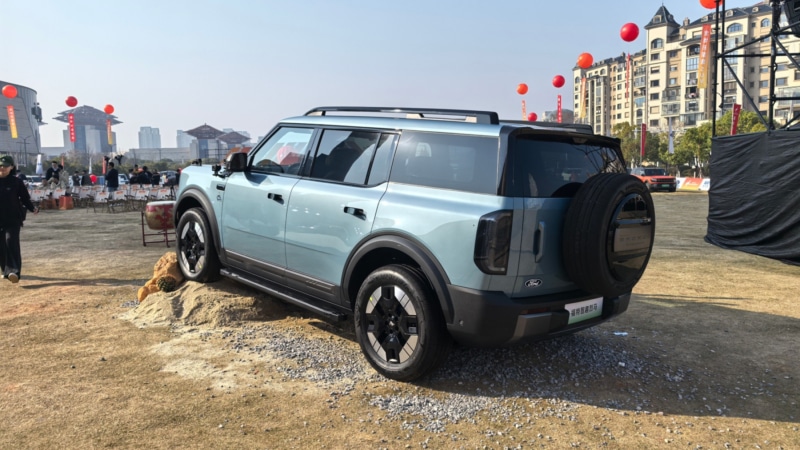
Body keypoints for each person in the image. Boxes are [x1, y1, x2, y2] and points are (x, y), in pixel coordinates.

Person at [0, 155, 38, 284]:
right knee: (1, 246)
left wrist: (32, 208)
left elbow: (25, 198)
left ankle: (14, 271)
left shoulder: (16, 182)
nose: (2, 168)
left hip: (13, 218)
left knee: (11, 241)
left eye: (5, 166)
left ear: (11, 167)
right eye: (0, 165)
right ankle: (5, 270)